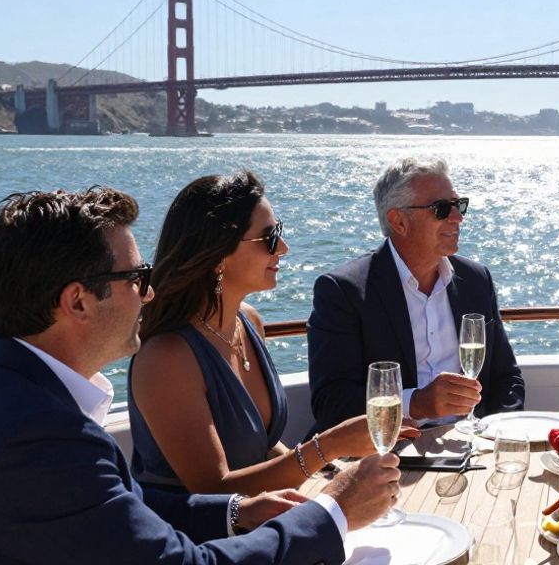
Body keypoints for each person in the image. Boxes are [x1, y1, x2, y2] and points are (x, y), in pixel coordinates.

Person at [0, 187, 401, 564]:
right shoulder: (37, 437)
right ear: (77, 301)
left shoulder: (3, 392)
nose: (149, 294)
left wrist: (232, 514)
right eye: (136, 278)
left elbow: (124, 508)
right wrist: (333, 512)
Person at [129, 171, 416, 495]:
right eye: (268, 238)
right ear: (218, 255)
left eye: (277, 232)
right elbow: (212, 488)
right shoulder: (166, 357)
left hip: (260, 521)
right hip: (198, 538)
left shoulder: (248, 322)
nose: (283, 248)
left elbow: (261, 448)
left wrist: (332, 475)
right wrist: (329, 446)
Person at [308, 157, 524, 432]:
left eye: (459, 206)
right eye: (442, 209)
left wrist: (497, 437)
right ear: (399, 221)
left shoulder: (476, 280)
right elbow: (331, 402)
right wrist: (415, 403)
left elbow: (507, 378)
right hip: (386, 455)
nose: (457, 218)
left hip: (470, 446)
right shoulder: (344, 292)